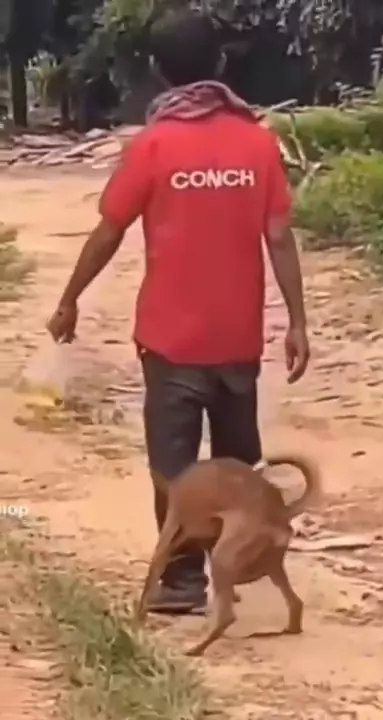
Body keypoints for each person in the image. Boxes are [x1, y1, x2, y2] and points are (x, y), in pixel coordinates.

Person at [47, 10, 310, 615]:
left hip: (169, 341)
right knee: (237, 459)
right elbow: (278, 236)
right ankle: (240, 558)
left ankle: (184, 579)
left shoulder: (154, 144)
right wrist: (297, 322)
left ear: (157, 70)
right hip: (238, 337)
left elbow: (109, 230)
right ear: (220, 63)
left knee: (174, 465)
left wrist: (69, 298)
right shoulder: (256, 141)